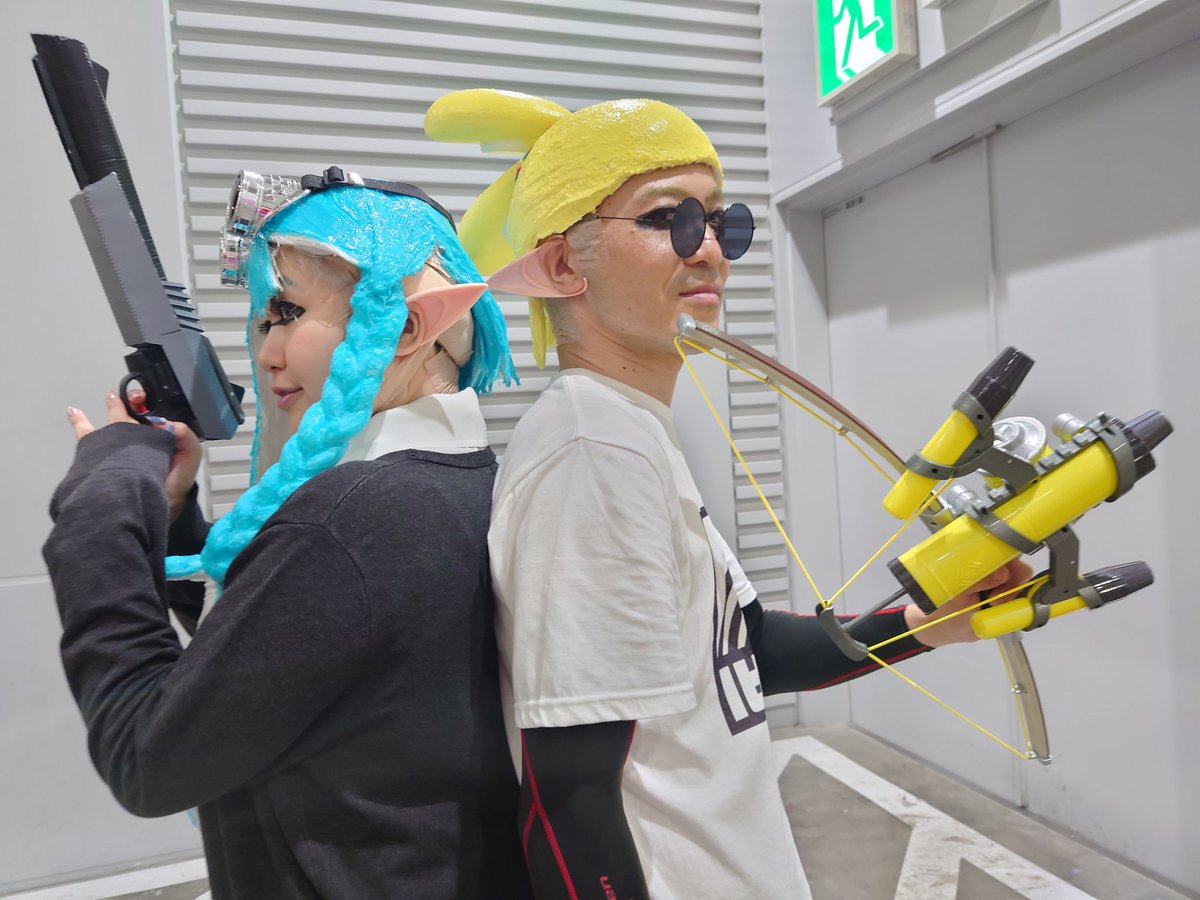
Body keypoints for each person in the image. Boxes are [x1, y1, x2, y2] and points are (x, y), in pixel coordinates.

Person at [425, 90, 1033, 899]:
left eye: (720, 221)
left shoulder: (628, 429)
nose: (710, 250)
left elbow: (745, 656)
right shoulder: (593, 450)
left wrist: (927, 621)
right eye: (667, 219)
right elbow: (568, 795)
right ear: (565, 265)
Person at [43, 169, 532, 899]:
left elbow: (145, 756)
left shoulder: (349, 521)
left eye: (289, 311)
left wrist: (102, 501)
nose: (267, 352)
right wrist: (175, 518)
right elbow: (280, 660)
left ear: (405, 329)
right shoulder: (454, 483)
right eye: (266, 320)